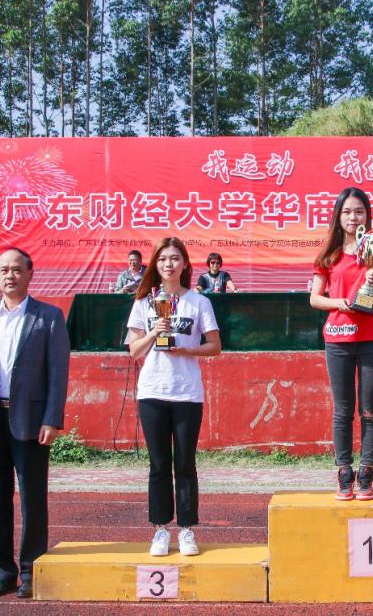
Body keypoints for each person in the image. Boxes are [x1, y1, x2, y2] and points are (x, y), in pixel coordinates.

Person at [0, 247, 70, 599]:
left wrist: (52, 418)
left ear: (30, 273)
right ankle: (2, 572)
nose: (10, 275)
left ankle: (30, 570)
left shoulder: (48, 317)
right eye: (4, 270)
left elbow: (58, 374)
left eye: (17, 269)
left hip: (32, 420)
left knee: (33, 499)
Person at [126, 237, 221, 557]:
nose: (169, 264)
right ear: (155, 264)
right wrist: (155, 331)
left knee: (185, 463)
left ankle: (188, 529)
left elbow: (215, 346)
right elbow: (134, 351)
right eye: (163, 259)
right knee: (158, 464)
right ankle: (160, 529)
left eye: (175, 258)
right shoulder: (143, 303)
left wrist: (186, 350)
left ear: (185, 264)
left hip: (187, 394)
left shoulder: (199, 302)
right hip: (152, 392)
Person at [310, 187, 373, 502]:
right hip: (338, 338)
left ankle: (367, 471)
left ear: (367, 215)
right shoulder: (329, 254)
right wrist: (340, 303)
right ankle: (344, 471)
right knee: (343, 410)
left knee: (369, 409)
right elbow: (314, 298)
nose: (353, 217)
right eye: (347, 211)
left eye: (359, 211)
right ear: (338, 216)